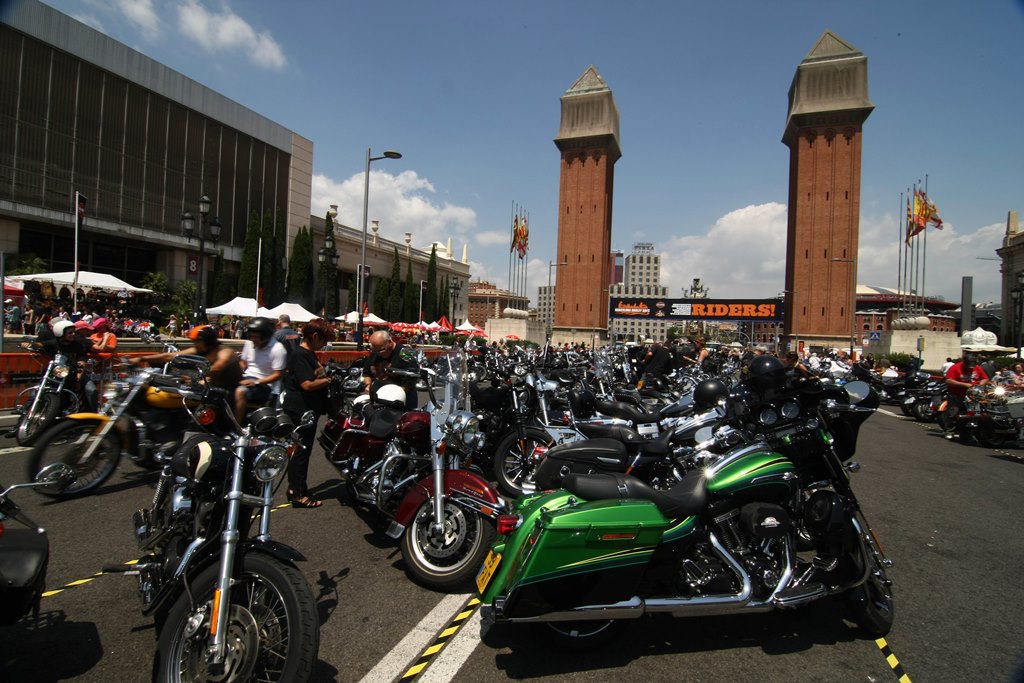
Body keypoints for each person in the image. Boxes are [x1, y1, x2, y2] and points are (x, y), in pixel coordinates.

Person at [281, 318, 336, 508]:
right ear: (314, 336)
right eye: (323, 340)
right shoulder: (300, 355)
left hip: (306, 409)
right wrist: (328, 380)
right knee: (300, 451)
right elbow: (307, 384)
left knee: (301, 450)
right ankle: (298, 493)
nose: (324, 345)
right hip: (300, 410)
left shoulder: (307, 354)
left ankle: (295, 488)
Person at [129, 325, 242, 393]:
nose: (195, 344)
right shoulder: (199, 350)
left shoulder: (224, 352)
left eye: (198, 341)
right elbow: (169, 356)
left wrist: (193, 376)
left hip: (227, 390)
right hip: (210, 387)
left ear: (208, 341)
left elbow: (217, 367)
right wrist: (141, 359)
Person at [234, 317, 287, 421]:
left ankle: (236, 426)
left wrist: (256, 382)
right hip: (247, 379)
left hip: (265, 385)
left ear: (266, 337)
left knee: (240, 391)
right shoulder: (249, 344)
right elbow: (243, 363)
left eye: (256, 337)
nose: (253, 339)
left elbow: (278, 374)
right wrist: (235, 373)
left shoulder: (278, 349)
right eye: (251, 336)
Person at [363, 330, 419, 410]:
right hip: (378, 398)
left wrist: (398, 392)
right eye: (376, 350)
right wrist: (368, 385)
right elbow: (366, 373)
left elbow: (413, 376)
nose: (379, 353)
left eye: (382, 350)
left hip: (401, 399)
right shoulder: (375, 352)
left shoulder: (405, 352)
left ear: (389, 342)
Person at [943, 355, 989, 438]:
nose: (970, 369)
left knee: (971, 414)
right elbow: (948, 380)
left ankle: (966, 432)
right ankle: (950, 431)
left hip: (973, 396)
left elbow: (985, 378)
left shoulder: (977, 368)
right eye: (968, 366)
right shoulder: (955, 367)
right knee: (953, 413)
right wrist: (964, 385)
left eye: (972, 366)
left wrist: (981, 384)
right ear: (964, 362)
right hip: (957, 394)